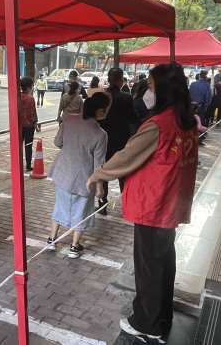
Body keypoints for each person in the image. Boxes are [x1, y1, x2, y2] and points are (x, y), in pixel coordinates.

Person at [87, 62, 198, 340]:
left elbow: (127, 156)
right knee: (163, 263)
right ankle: (162, 316)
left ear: (164, 90)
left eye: (150, 87)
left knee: (149, 268)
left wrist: (98, 174)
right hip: (171, 203)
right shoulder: (186, 120)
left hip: (154, 205)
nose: (146, 92)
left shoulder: (158, 125)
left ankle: (147, 324)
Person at [47, 92, 111, 258]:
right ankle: (74, 247)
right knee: (81, 211)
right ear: (100, 111)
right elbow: (98, 165)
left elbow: (57, 142)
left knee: (60, 205)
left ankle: (52, 239)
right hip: (84, 179)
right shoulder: (100, 134)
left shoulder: (69, 119)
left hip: (63, 172)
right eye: (106, 110)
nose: (107, 113)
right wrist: (100, 187)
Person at [97, 68, 137, 212]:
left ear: (109, 79)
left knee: (104, 169)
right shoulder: (126, 97)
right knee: (123, 172)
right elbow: (133, 118)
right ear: (120, 81)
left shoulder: (101, 96)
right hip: (122, 140)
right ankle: (126, 203)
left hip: (103, 139)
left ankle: (102, 203)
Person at [19, 77, 39, 171]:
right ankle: (28, 164)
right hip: (29, 125)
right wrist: (35, 125)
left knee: (19, 145)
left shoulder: (18, 96)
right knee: (28, 145)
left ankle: (18, 163)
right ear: (28, 87)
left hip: (19, 125)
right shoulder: (30, 98)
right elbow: (33, 113)